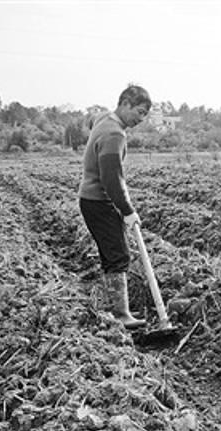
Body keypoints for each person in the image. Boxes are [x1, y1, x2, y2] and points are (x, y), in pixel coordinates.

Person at [78, 84, 152, 328]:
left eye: (144, 115)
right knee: (118, 255)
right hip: (99, 201)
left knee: (113, 254)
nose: (141, 119)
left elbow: (91, 123)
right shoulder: (115, 134)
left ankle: (116, 311)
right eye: (139, 112)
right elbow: (111, 180)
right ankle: (120, 315)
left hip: (91, 200)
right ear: (125, 103)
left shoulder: (105, 120)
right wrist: (128, 210)